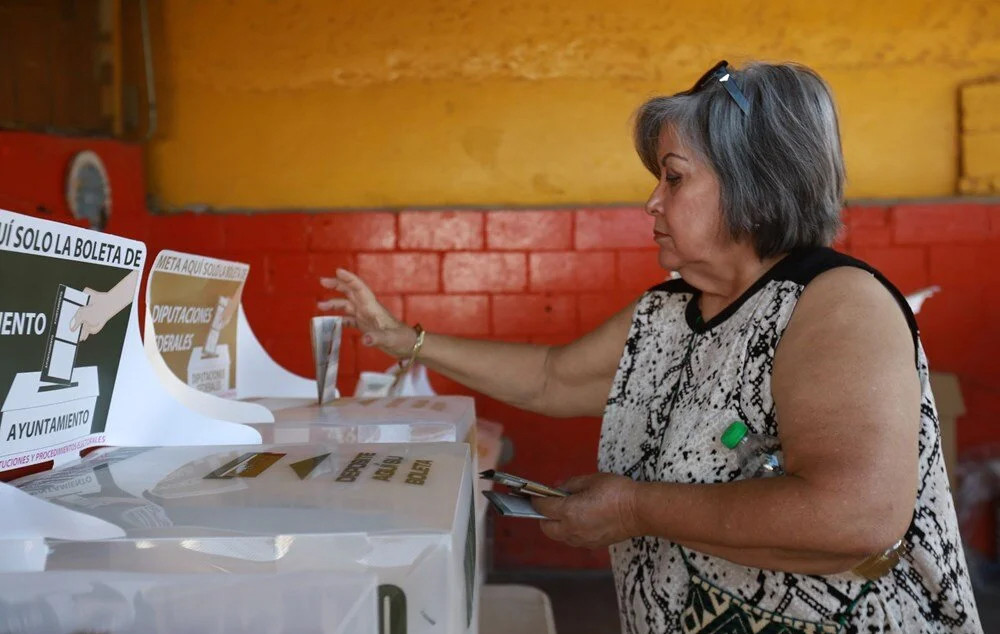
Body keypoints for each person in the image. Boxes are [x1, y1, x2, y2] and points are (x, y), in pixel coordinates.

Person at [319, 61, 981, 633]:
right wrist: (405, 340)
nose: (651, 203)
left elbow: (854, 517)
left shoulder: (835, 303)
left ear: (753, 189)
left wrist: (635, 507)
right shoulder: (669, 311)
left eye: (675, 178)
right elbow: (553, 378)